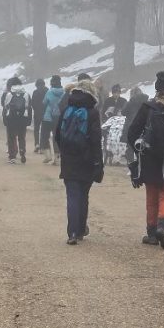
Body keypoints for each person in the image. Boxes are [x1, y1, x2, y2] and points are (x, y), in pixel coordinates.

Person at [54, 79, 103, 244]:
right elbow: (96, 140)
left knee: (72, 196)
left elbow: (57, 136)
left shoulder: (67, 108)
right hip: (87, 160)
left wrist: (65, 151)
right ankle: (81, 229)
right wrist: (98, 162)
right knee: (83, 195)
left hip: (69, 160)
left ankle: (72, 233)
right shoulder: (93, 112)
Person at [126, 71, 164, 248]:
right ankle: (163, 227)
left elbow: (132, 132)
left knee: (151, 195)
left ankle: (151, 233)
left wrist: (139, 149)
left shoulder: (148, 106)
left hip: (150, 158)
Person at [2, 78, 32, 164]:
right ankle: (22, 151)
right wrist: (28, 120)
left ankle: (12, 156)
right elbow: (29, 108)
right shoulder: (26, 94)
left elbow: (5, 107)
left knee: (11, 137)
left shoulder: (9, 94)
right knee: (22, 137)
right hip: (23, 119)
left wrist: (5, 119)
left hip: (11, 119)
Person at [40, 75, 65, 165]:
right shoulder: (64, 92)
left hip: (47, 117)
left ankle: (48, 156)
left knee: (44, 135)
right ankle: (57, 158)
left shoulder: (49, 92)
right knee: (56, 137)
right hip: (58, 117)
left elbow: (44, 102)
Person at [120, 87, 148, 166]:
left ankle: (131, 163)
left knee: (130, 145)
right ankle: (141, 163)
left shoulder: (130, 102)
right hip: (143, 126)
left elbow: (123, 112)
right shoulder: (146, 101)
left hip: (131, 125)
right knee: (141, 144)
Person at [31, 78, 48, 153]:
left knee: (36, 130)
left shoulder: (35, 92)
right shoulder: (47, 91)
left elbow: (32, 103)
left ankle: (37, 144)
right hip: (45, 114)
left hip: (37, 114)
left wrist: (36, 110)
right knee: (44, 131)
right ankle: (42, 146)